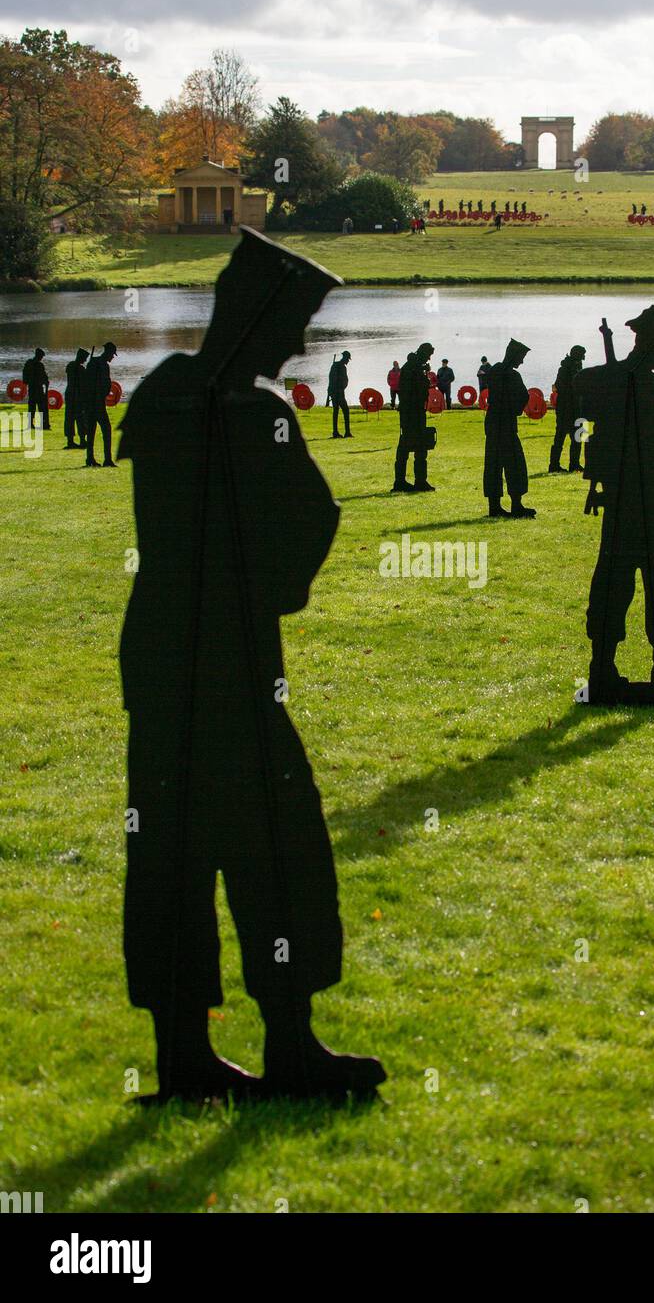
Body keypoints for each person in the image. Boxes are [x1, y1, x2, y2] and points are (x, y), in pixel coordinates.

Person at [117, 227, 385, 1101]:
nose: (297, 342)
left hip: (163, 660)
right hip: (227, 661)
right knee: (277, 842)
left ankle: (184, 1056)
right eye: (294, 321)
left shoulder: (164, 395)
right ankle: (290, 1045)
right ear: (256, 315)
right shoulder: (253, 409)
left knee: (172, 851)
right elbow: (309, 518)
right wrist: (276, 589)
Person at [575, 306, 654, 706]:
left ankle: (609, 667)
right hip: (649, 500)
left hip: (623, 500)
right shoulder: (650, 390)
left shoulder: (609, 382)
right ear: (653, 344)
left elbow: (578, 401)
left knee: (619, 579)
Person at [483, 338, 535, 519]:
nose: (522, 361)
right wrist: (515, 409)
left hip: (493, 421)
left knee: (494, 463)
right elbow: (523, 396)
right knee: (514, 463)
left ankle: (494, 506)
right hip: (505, 422)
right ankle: (516, 505)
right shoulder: (512, 375)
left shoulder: (495, 370)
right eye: (521, 357)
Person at [393, 342, 435, 493]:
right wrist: (426, 379)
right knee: (418, 447)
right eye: (429, 355)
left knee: (408, 446)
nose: (429, 358)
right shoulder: (413, 367)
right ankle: (417, 481)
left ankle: (404, 481)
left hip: (411, 411)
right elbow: (415, 389)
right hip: (413, 412)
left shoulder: (412, 366)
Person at [548, 344, 585, 473]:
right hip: (566, 408)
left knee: (577, 438)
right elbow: (561, 386)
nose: (584, 358)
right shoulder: (565, 369)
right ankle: (554, 464)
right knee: (561, 437)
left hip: (577, 408)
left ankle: (574, 464)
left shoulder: (576, 367)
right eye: (582, 355)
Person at [82, 342, 118, 467]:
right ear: (108, 352)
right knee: (105, 430)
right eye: (112, 354)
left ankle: (90, 458)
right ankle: (106, 459)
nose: (112, 357)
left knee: (91, 431)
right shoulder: (102, 365)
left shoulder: (93, 363)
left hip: (91, 402)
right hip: (97, 403)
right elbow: (105, 385)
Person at [64, 347, 89, 448]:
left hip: (70, 395)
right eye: (84, 358)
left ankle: (71, 441)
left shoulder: (70, 366)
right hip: (77, 396)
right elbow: (84, 382)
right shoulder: (80, 368)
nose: (85, 360)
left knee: (70, 418)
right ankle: (82, 440)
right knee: (80, 418)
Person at [23, 347, 50, 431]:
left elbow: (25, 378)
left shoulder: (29, 363)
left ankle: (31, 423)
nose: (42, 358)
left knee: (32, 407)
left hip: (32, 389)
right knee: (42, 407)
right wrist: (46, 385)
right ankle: (44, 424)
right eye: (41, 356)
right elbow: (45, 378)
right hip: (38, 389)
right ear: (39, 356)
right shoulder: (39, 365)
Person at [327, 350, 351, 438]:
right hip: (338, 392)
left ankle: (335, 432)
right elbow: (343, 380)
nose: (348, 361)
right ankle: (346, 432)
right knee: (345, 410)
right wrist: (341, 388)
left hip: (334, 391)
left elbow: (331, 378)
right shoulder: (342, 367)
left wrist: (330, 390)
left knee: (336, 411)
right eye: (348, 359)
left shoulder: (335, 365)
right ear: (345, 358)